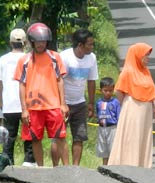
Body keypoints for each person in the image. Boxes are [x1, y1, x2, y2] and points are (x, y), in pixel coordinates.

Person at [15, 22, 68, 167]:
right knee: (35, 139)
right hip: (33, 108)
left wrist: (63, 104)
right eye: (37, 41)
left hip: (53, 105)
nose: (40, 44)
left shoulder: (55, 57)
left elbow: (60, 80)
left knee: (60, 137)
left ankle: (68, 169)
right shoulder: (24, 60)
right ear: (32, 42)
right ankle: (41, 169)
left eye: (43, 41)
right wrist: (24, 109)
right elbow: (22, 85)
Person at [108, 43, 155, 168]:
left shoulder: (146, 71)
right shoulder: (127, 71)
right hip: (132, 108)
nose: (148, 58)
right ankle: (129, 164)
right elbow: (118, 91)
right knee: (132, 137)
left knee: (143, 137)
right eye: (145, 55)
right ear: (137, 55)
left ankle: (142, 165)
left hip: (146, 110)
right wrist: (127, 103)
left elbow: (152, 91)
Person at [0, 28, 34, 166]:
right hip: (27, 105)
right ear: (25, 43)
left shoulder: (3, 59)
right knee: (29, 134)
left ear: (10, 43)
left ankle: (7, 162)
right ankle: (28, 162)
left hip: (9, 104)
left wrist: (0, 102)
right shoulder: (30, 58)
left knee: (9, 136)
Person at [60, 29, 99, 166]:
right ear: (80, 45)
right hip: (63, 103)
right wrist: (62, 103)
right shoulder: (65, 57)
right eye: (89, 44)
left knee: (79, 137)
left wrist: (91, 103)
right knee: (59, 137)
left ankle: (75, 167)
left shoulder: (92, 58)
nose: (92, 47)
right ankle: (62, 166)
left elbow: (91, 80)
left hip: (80, 103)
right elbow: (56, 80)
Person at [95, 77, 120, 166]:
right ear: (101, 90)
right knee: (103, 149)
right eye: (105, 90)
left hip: (112, 128)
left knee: (112, 148)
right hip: (102, 128)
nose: (108, 93)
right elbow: (97, 113)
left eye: (110, 90)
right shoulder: (98, 102)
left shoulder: (115, 102)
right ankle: (104, 167)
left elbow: (118, 116)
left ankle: (112, 167)